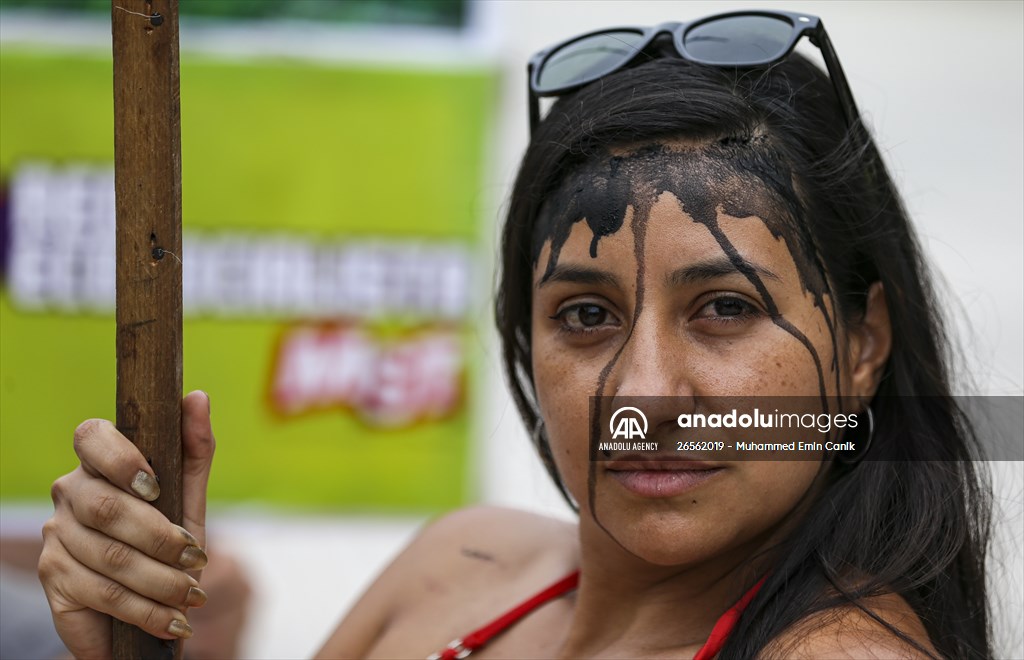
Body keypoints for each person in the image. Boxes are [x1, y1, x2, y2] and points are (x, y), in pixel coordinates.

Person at [38, 10, 992, 659]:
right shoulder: (460, 561)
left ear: (865, 345)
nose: (647, 395)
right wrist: (132, 635)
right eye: (586, 315)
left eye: (725, 309)